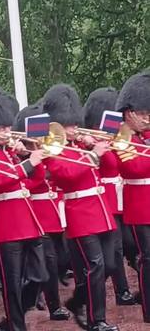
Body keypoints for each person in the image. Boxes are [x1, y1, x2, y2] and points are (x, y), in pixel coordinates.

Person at [0, 86, 48, 331]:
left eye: (6, 126)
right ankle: (16, 325)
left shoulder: (9, 154)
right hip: (7, 225)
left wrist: (33, 158)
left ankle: (11, 321)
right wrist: (26, 165)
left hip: (27, 221)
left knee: (39, 276)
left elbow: (33, 182)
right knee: (11, 283)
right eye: (1, 128)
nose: (7, 131)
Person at [42, 84, 119, 331]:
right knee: (95, 266)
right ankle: (98, 321)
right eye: (69, 125)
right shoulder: (53, 149)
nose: (74, 128)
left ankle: (78, 302)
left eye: (75, 123)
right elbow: (67, 175)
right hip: (80, 214)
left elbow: (111, 168)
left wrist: (97, 145)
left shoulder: (81, 146)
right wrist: (93, 155)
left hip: (100, 212)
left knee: (109, 265)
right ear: (57, 125)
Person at [12, 103, 70, 321]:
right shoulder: (21, 158)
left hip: (53, 212)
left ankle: (34, 297)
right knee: (49, 262)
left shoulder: (42, 154)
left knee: (61, 260)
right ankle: (53, 306)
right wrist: (34, 160)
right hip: (35, 213)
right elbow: (33, 183)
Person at [83, 87, 135, 305]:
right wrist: (97, 147)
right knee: (116, 249)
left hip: (124, 196)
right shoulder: (94, 140)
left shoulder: (117, 136)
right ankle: (120, 291)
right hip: (107, 199)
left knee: (130, 245)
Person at [115, 70, 150, 322]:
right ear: (129, 113)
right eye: (144, 113)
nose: (148, 117)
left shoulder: (144, 136)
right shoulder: (122, 138)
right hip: (139, 205)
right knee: (148, 258)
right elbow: (133, 168)